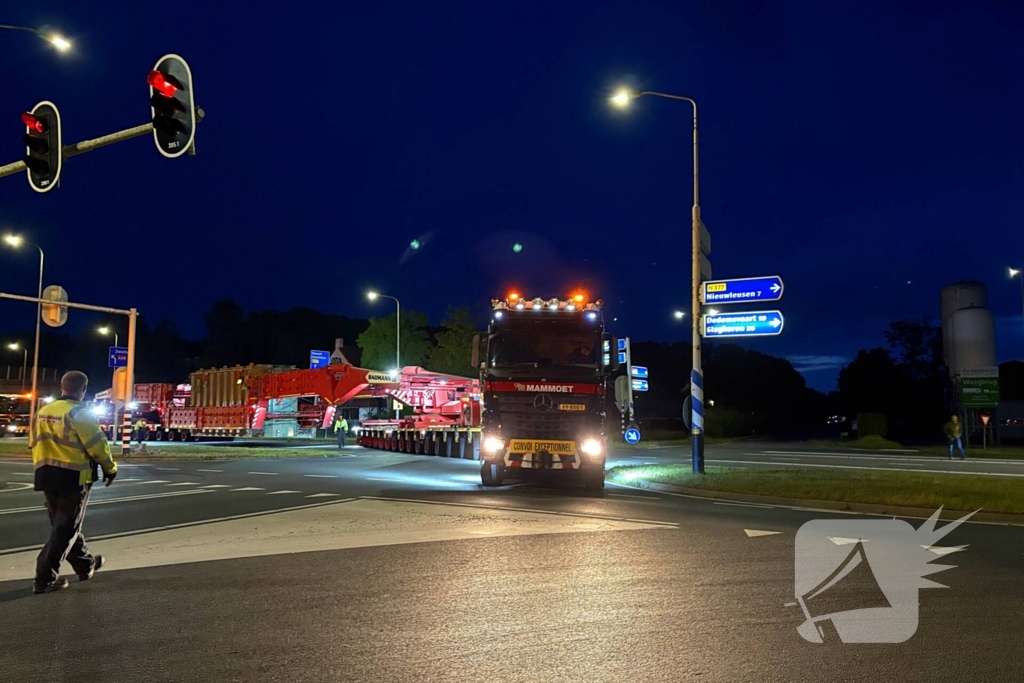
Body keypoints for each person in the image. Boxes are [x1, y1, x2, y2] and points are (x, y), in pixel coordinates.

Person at [32, 371, 117, 594]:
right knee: (66, 528)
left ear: (62, 387)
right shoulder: (80, 413)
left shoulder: (44, 410)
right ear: (84, 388)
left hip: (45, 474)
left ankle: (84, 564)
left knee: (64, 525)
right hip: (72, 476)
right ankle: (45, 577)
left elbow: (34, 442)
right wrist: (110, 469)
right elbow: (97, 446)